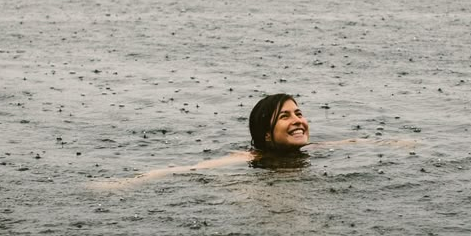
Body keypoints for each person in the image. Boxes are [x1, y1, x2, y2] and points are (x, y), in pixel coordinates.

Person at [89, 93, 411, 190]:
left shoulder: (313, 150)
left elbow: (350, 143)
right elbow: (191, 168)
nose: (298, 120)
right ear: (267, 135)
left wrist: (394, 143)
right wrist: (127, 183)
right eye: (285, 116)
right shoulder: (251, 159)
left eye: (298, 113)